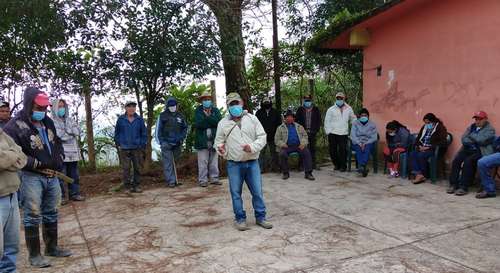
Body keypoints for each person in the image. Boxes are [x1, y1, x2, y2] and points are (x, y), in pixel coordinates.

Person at [4, 87, 71, 268]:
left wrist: (60, 157)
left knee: (52, 211)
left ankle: (52, 247)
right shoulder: (15, 126)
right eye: (38, 107)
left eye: (44, 108)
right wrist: (36, 164)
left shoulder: (47, 122)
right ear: (29, 104)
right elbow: (14, 154)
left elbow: (56, 143)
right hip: (30, 176)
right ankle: (34, 255)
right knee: (32, 215)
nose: (42, 111)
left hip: (53, 176)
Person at [214, 92, 272, 231]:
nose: (235, 106)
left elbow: (262, 137)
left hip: (252, 162)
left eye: (237, 103)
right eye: (231, 104)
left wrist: (251, 147)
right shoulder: (223, 123)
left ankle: (261, 217)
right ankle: (240, 219)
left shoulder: (252, 119)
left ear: (242, 103)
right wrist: (221, 150)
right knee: (235, 193)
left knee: (257, 192)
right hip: (234, 164)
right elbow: (218, 142)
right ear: (228, 106)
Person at [448, 111, 496, 196]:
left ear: (485, 119)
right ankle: (453, 184)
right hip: (467, 149)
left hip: (480, 151)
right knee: (456, 160)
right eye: (476, 119)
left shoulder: (490, 129)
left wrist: (472, 136)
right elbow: (463, 139)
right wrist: (474, 139)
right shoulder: (471, 127)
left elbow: (482, 140)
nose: (477, 121)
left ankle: (463, 187)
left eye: (480, 119)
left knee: (468, 162)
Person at [0, 128, 27, 272]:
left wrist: (8, 158)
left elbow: (22, 157)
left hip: (12, 195)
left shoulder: (2, 134)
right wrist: (13, 156)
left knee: (11, 247)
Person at [51, 99, 85, 204]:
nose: (62, 109)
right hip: (61, 153)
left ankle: (74, 194)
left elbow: (78, 131)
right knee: (61, 175)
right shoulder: (52, 122)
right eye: (59, 107)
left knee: (74, 175)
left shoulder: (70, 119)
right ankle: (61, 197)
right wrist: (71, 132)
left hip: (73, 153)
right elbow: (59, 135)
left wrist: (67, 131)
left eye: (63, 107)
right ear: (54, 108)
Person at [114, 101, 147, 194]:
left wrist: (142, 144)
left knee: (137, 167)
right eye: (129, 107)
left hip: (137, 147)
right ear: (126, 108)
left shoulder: (139, 120)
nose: (131, 108)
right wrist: (119, 143)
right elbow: (117, 133)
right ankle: (127, 187)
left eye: (133, 107)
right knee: (126, 168)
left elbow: (144, 133)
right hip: (124, 147)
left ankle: (136, 186)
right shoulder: (121, 119)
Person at [275, 109, 315, 181]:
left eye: (291, 117)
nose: (289, 118)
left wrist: (303, 143)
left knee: (306, 152)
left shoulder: (299, 126)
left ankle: (308, 173)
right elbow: (277, 140)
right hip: (287, 146)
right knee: (282, 154)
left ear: (293, 118)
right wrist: (283, 144)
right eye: (287, 117)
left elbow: (305, 136)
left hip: (298, 146)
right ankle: (285, 173)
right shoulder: (280, 128)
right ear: (285, 118)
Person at [157, 97, 187, 188]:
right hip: (166, 143)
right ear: (167, 106)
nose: (172, 107)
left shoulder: (180, 116)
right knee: (168, 162)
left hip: (177, 143)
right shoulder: (162, 116)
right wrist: (161, 142)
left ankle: (175, 179)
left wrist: (181, 138)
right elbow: (158, 130)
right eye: (170, 106)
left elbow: (185, 128)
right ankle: (171, 181)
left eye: (173, 105)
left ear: (176, 106)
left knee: (176, 161)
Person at [410, 113, 448, 184]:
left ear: (433, 121)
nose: (427, 124)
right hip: (422, 147)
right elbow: (418, 138)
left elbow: (443, 142)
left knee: (420, 156)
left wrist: (428, 147)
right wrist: (419, 146)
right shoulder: (425, 127)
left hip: (432, 149)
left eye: (428, 123)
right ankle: (420, 175)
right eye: (425, 123)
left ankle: (422, 174)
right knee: (412, 154)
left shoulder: (440, 128)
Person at [194, 91, 222, 187]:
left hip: (214, 140)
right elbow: (199, 124)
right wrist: (211, 120)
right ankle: (203, 180)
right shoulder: (198, 111)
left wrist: (207, 117)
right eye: (205, 99)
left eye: (208, 99)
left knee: (214, 161)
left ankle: (214, 178)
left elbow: (218, 122)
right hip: (202, 141)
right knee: (203, 161)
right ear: (202, 101)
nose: (207, 101)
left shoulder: (216, 110)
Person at [324, 92, 357, 172]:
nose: (339, 100)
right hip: (333, 133)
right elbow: (327, 121)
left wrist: (356, 124)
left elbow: (353, 118)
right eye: (338, 98)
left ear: (344, 99)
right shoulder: (331, 109)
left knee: (343, 150)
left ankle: (343, 166)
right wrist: (328, 132)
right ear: (336, 99)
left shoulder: (349, 108)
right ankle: (336, 164)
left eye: (341, 98)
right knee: (332, 151)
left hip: (343, 133)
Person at [255, 97, 281, 172]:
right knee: (260, 154)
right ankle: (260, 169)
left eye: (267, 102)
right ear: (262, 103)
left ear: (270, 103)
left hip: (273, 136)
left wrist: (277, 135)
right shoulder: (258, 113)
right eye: (265, 102)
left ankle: (275, 168)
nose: (266, 104)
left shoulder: (275, 112)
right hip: (262, 137)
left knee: (274, 153)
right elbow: (256, 125)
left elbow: (279, 124)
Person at [296, 95, 322, 170]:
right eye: (306, 100)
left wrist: (316, 130)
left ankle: (313, 164)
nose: (307, 102)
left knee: (312, 149)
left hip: (312, 132)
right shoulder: (300, 109)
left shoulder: (316, 109)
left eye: (309, 100)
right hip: (302, 133)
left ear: (311, 100)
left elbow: (319, 120)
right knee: (302, 148)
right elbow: (296, 120)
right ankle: (301, 165)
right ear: (304, 101)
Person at [350, 108, 378, 177]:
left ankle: (362, 166)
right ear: (359, 116)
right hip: (357, 142)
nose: (364, 117)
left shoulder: (372, 124)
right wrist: (360, 143)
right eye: (362, 115)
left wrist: (365, 143)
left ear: (368, 116)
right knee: (358, 148)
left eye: (365, 115)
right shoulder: (355, 123)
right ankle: (363, 166)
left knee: (367, 148)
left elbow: (374, 137)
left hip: (368, 142)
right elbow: (352, 135)